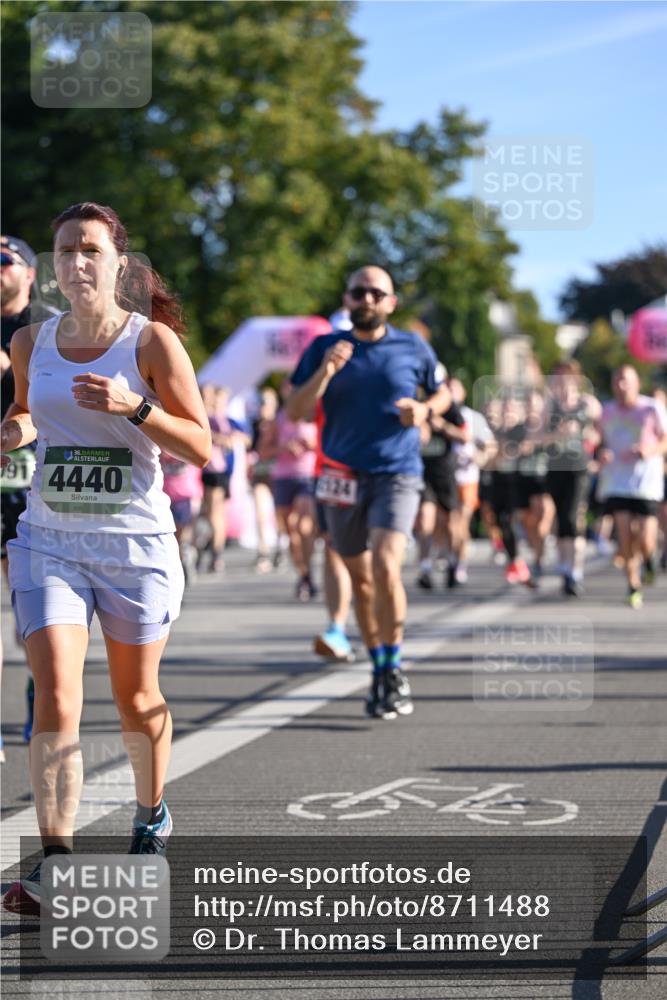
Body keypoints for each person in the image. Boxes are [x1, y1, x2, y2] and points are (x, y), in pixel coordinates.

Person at [1, 202, 211, 915]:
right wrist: (15, 427)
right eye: (64, 251)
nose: (76, 262)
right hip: (49, 539)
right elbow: (32, 412)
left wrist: (136, 408)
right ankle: (55, 863)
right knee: (56, 694)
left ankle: (151, 816)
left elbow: (202, 446)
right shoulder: (32, 341)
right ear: (53, 268)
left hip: (134, 547)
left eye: (90, 249)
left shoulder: (150, 343)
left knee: (137, 701)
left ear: (120, 262)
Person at [287, 265, 450, 719]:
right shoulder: (323, 347)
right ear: (347, 299)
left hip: (396, 472)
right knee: (359, 579)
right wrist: (325, 372)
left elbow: (444, 395)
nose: (368, 300)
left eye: (377, 293)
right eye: (359, 292)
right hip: (341, 476)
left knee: (385, 565)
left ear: (391, 302)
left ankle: (395, 666)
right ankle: (379, 667)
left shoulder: (412, 346)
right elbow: (296, 410)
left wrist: (423, 409)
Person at [1, 235, 59, 754]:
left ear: (27, 273)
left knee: (30, 609)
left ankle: (37, 693)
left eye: (3, 260)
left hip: (31, 480)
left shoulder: (45, 325)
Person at [597, 365, 667, 608]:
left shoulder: (652, 408)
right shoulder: (607, 411)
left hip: (646, 482)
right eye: (617, 380)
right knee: (624, 536)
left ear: (637, 383)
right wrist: (601, 452)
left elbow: (665, 440)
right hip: (616, 482)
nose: (621, 385)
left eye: (626, 380)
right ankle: (633, 585)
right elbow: (599, 441)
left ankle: (649, 561)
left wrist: (650, 450)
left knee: (647, 539)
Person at [542, 360, 600, 596]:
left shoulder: (589, 404)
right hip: (555, 467)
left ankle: (575, 570)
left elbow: (600, 433)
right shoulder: (549, 405)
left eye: (564, 377)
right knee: (561, 518)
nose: (560, 382)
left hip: (579, 467)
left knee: (572, 515)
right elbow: (537, 439)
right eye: (556, 377)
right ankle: (566, 567)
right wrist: (558, 434)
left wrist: (589, 439)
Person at [265, 380, 319, 600]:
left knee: (303, 526)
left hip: (307, 476)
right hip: (283, 477)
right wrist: (283, 447)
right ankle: (304, 574)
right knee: (291, 531)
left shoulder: (314, 414)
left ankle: (308, 573)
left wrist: (312, 444)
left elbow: (328, 444)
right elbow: (264, 450)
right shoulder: (278, 418)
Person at [414, 382, 470, 589]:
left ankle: (454, 563)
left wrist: (442, 426)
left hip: (445, 473)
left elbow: (466, 436)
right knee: (425, 521)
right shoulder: (415, 403)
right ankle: (425, 569)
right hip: (422, 472)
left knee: (451, 524)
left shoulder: (448, 407)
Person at [449, 377, 496, 583]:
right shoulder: (438, 416)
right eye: (447, 389)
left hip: (467, 477)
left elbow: (490, 445)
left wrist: (480, 457)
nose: (450, 393)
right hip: (445, 478)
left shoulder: (473, 418)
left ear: (463, 393)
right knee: (450, 523)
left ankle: (458, 562)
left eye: (454, 389)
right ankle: (452, 557)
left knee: (462, 519)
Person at [199, 384, 247, 573]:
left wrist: (227, 438)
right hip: (200, 470)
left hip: (216, 471)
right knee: (207, 512)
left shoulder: (222, 418)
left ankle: (215, 552)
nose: (209, 400)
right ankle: (209, 547)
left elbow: (244, 437)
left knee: (215, 513)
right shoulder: (203, 415)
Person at [249, 386, 279, 573]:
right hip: (260, 473)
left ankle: (282, 547)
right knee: (260, 511)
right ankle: (263, 551)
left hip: (279, 474)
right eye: (260, 402)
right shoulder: (254, 425)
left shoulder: (280, 424)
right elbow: (250, 449)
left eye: (265, 402)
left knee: (282, 516)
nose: (262, 406)